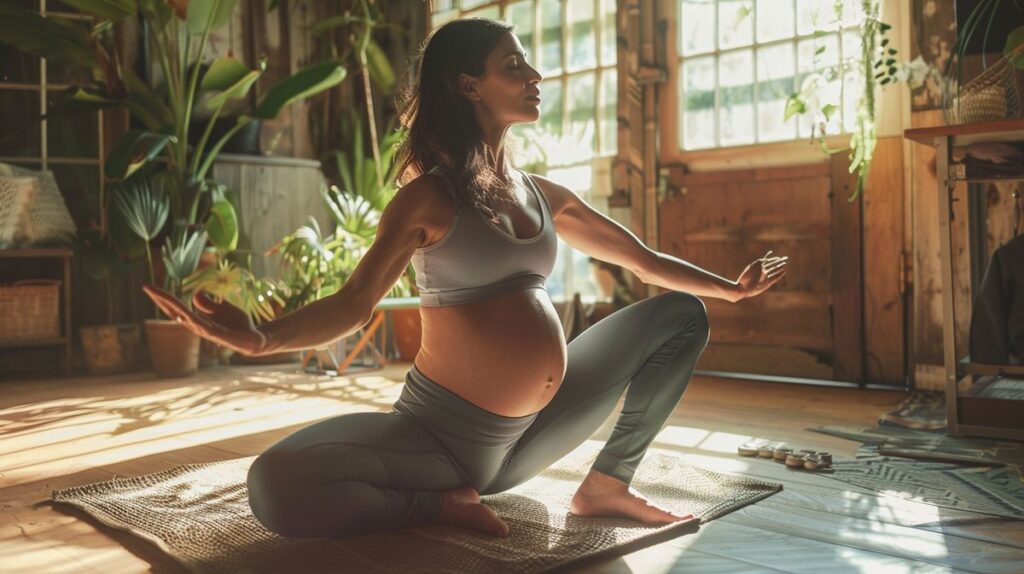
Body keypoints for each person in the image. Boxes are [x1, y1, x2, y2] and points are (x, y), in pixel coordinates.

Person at [143, 17, 788, 540]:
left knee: (681, 316)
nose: (535, 77)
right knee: (275, 484)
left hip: (537, 428)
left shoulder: (544, 195)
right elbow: (354, 303)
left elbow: (642, 260)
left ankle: (606, 485)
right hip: (438, 439)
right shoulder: (427, 200)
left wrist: (731, 289)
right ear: (469, 86)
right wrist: (261, 338)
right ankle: (435, 506)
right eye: (514, 66)